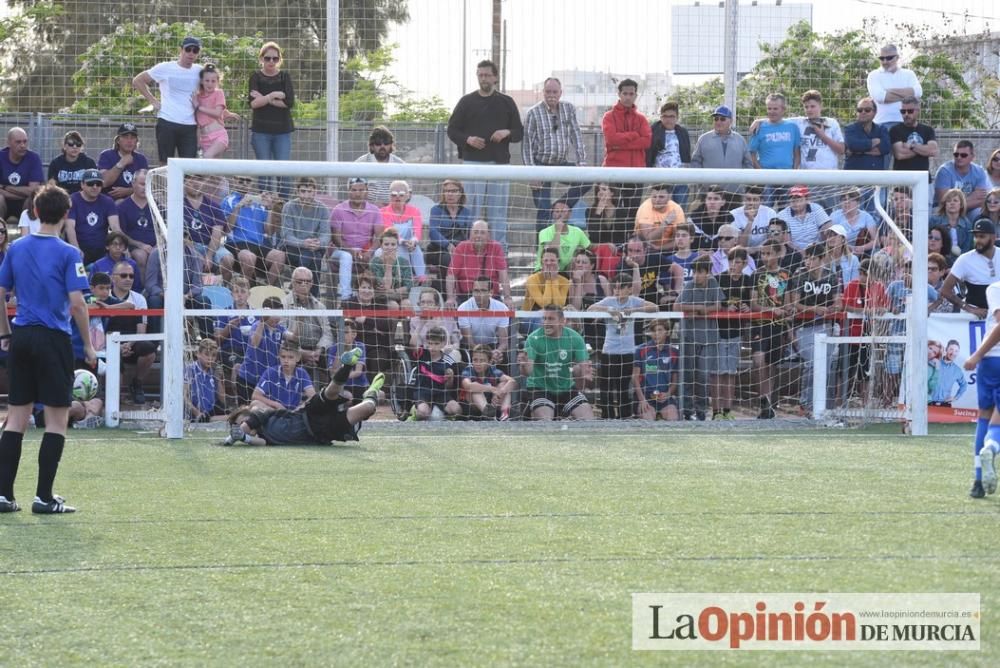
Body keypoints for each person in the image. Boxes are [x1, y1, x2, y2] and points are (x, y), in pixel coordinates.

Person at [0, 184, 96, 514]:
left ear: (36, 211)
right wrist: (87, 344)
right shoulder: (70, 254)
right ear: (66, 214)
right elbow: (78, 304)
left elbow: (0, 292)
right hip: (52, 339)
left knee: (16, 420)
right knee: (56, 422)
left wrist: (5, 332)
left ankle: (3, 495)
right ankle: (43, 497)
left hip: (22, 336)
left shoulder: (16, 247)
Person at [223, 350, 384, 446]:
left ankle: (347, 365)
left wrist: (232, 438)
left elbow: (257, 413)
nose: (241, 426)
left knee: (329, 393)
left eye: (240, 423)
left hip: (307, 415)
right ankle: (371, 393)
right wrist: (243, 438)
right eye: (238, 427)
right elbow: (261, 443)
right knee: (367, 408)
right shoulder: (263, 437)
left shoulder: (261, 415)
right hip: (319, 434)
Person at [447, 59, 523, 249]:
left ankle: (499, 252)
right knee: (471, 211)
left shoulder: (506, 102)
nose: (484, 78)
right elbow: (452, 130)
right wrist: (468, 139)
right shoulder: (466, 102)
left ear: (495, 77)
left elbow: (519, 132)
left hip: (500, 166)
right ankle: (469, 251)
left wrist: (506, 132)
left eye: (487, 75)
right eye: (480, 75)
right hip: (473, 164)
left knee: (498, 212)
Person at [588, 272, 657, 419]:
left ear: (629, 289)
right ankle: (608, 416)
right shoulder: (609, 301)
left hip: (627, 352)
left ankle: (624, 417)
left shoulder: (633, 301)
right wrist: (609, 310)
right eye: (615, 288)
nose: (616, 291)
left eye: (620, 288)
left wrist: (633, 311)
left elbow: (655, 307)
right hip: (609, 351)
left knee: (623, 387)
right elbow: (590, 309)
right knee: (606, 386)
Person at [522, 77, 589, 227]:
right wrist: (532, 172)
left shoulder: (568, 109)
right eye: (548, 91)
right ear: (543, 92)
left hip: (561, 164)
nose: (551, 94)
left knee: (588, 179)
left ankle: (558, 205)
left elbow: (576, 136)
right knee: (543, 212)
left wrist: (582, 161)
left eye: (554, 91)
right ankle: (542, 249)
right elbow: (527, 145)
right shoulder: (533, 113)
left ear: (560, 93)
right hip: (540, 166)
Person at [787, 242, 841, 415]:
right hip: (805, 327)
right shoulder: (800, 275)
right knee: (812, 364)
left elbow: (838, 300)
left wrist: (835, 307)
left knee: (825, 366)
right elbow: (795, 303)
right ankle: (805, 403)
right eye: (807, 258)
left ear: (821, 259)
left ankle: (822, 405)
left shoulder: (831, 276)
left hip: (825, 326)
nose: (808, 261)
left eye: (812, 258)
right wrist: (815, 309)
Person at [132, 36, 203, 164]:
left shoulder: (200, 71)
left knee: (189, 167)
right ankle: (165, 185)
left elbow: (212, 89)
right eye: (188, 49)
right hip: (167, 121)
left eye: (195, 50)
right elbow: (138, 80)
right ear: (180, 50)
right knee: (164, 165)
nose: (191, 53)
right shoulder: (165, 67)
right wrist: (153, 101)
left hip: (190, 125)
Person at [520, 304, 594, 421]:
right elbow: (527, 372)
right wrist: (524, 366)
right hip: (540, 389)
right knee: (546, 421)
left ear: (562, 321)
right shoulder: (533, 338)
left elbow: (584, 366)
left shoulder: (575, 337)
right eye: (544, 318)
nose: (546, 323)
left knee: (588, 420)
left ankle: (568, 419)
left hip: (566, 388)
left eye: (551, 319)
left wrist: (586, 374)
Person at [961, 279, 1000, 499]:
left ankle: (978, 482)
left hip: (990, 361)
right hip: (991, 357)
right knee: (997, 422)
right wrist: (977, 354)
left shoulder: (995, 288)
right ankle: (992, 448)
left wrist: (979, 354)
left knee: (985, 416)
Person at [674, 256, 724, 421]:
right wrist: (697, 307)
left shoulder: (713, 284)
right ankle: (687, 410)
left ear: (708, 273)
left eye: (700, 272)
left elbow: (719, 305)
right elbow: (677, 306)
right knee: (688, 375)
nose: (696, 275)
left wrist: (706, 310)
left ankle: (701, 410)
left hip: (709, 338)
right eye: (695, 272)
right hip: (689, 337)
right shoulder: (689, 286)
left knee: (703, 376)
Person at [750, 240, 793, 419]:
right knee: (759, 361)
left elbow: (789, 302)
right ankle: (763, 398)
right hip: (760, 325)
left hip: (779, 327)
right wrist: (771, 310)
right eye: (762, 254)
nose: (765, 257)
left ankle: (770, 403)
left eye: (768, 253)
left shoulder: (786, 275)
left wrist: (788, 311)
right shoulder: (757, 274)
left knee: (773, 365)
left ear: (777, 254)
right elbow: (753, 303)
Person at [248, 41, 295, 198]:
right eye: (267, 58)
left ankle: (282, 205)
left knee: (284, 171)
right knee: (264, 172)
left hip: (282, 131)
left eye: (275, 59)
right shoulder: (255, 77)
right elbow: (254, 104)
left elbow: (289, 103)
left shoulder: (284, 76)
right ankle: (265, 207)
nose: (271, 62)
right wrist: (273, 95)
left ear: (279, 60)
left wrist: (265, 99)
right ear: (261, 58)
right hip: (261, 132)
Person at [602, 78, 652, 222]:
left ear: (636, 95)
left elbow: (647, 141)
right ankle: (613, 243)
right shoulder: (609, 116)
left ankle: (630, 244)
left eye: (631, 94)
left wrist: (620, 143)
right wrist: (635, 135)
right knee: (612, 211)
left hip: (636, 172)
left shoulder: (641, 119)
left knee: (633, 212)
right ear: (619, 94)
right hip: (613, 171)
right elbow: (611, 139)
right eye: (625, 93)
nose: (628, 97)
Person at [220, 176, 286, 286]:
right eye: (241, 181)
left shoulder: (259, 203)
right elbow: (226, 229)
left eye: (248, 181)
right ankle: (242, 290)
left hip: (258, 245)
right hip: (236, 244)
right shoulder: (228, 200)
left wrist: (270, 208)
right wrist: (238, 207)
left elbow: (269, 231)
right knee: (249, 257)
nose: (245, 183)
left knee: (280, 256)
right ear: (234, 182)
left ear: (252, 183)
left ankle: (265, 290)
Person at [715, 246, 754, 419]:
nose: (733, 265)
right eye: (730, 261)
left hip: (736, 331)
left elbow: (752, 303)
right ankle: (716, 411)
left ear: (744, 264)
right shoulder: (718, 279)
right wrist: (724, 307)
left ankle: (727, 410)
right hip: (718, 332)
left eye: (737, 262)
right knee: (717, 373)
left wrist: (748, 307)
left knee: (730, 372)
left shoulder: (748, 280)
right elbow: (713, 302)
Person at [330, 177, 382, 303]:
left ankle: (379, 293)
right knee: (347, 257)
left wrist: (369, 252)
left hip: (365, 250)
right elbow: (336, 238)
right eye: (354, 190)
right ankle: (346, 297)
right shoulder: (338, 209)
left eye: (361, 190)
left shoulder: (374, 210)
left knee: (380, 253)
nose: (357, 193)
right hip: (341, 251)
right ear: (349, 191)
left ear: (367, 191)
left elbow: (380, 236)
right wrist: (352, 252)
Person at [280, 267, 334, 380]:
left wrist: (319, 350)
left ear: (312, 283)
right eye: (300, 281)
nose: (303, 284)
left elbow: (327, 333)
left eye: (307, 281)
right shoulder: (283, 304)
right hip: (292, 349)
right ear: (293, 282)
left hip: (318, 351)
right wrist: (301, 352)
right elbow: (281, 333)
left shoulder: (320, 306)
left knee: (334, 363)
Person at [280, 177, 330, 297]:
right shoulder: (289, 207)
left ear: (315, 192)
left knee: (312, 256)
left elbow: (326, 234)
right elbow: (287, 236)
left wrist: (319, 243)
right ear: (297, 192)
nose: (306, 195)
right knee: (312, 258)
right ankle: (312, 297)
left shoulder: (322, 209)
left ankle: (299, 292)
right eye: (303, 191)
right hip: (292, 248)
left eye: (309, 192)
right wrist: (303, 243)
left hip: (314, 247)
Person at [445, 220, 511, 308]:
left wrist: (507, 297)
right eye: (475, 232)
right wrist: (450, 298)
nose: (478, 236)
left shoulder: (496, 247)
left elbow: (503, 274)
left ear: (489, 235)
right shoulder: (461, 247)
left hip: (491, 297)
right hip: (466, 296)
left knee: (507, 312)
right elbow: (451, 275)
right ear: (470, 234)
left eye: (482, 233)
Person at [236, 296, 290, 404]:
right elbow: (255, 343)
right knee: (245, 414)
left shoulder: (280, 329)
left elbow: (294, 337)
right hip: (248, 379)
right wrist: (262, 321)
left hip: (266, 380)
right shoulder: (256, 326)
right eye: (273, 314)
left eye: (279, 314)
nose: (276, 318)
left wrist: (300, 320)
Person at [942, 219, 999, 317]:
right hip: (972, 318)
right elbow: (945, 290)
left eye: (982, 236)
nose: (977, 240)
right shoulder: (965, 259)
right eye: (976, 237)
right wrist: (969, 308)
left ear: (993, 238)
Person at [65, 169, 123, 265]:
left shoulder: (108, 201)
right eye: (90, 183)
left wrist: (122, 247)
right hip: (79, 246)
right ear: (82, 185)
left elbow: (115, 228)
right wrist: (76, 249)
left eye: (98, 184)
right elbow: (70, 227)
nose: (95, 187)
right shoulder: (72, 200)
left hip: (102, 250)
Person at [867, 44, 922, 144]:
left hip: (906, 123)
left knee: (904, 157)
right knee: (884, 158)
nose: (885, 61)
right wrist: (907, 94)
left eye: (889, 58)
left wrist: (889, 91)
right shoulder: (873, 75)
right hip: (882, 124)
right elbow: (880, 97)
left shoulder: (909, 74)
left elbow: (918, 93)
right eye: (882, 58)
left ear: (897, 58)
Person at [379, 180, 428, 283]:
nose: (397, 197)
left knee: (416, 249)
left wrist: (414, 241)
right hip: (392, 243)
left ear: (407, 195)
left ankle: (421, 277)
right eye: (393, 194)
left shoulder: (415, 211)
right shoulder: (383, 212)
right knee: (403, 250)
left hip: (410, 243)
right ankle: (407, 280)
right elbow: (389, 231)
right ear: (389, 196)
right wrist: (403, 242)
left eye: (401, 194)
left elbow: (417, 229)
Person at [646, 101, 692, 208]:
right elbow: (649, 154)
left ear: (677, 117)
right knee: (661, 210)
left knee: (680, 209)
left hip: (680, 178)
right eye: (665, 116)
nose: (668, 119)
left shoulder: (683, 132)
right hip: (660, 180)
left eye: (672, 116)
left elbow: (686, 155)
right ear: (661, 117)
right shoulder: (653, 131)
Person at [409, 326, 461, 421]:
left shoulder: (449, 362)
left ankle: (445, 420)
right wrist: (421, 324)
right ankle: (414, 411)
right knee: (423, 413)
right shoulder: (422, 354)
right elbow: (412, 344)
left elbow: (449, 387)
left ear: (444, 344)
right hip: (422, 391)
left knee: (456, 409)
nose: (432, 347)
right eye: (430, 343)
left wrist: (450, 378)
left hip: (440, 393)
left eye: (436, 344)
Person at [633, 319, 680, 421]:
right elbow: (635, 378)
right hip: (646, 396)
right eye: (654, 331)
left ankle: (661, 415)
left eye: (660, 330)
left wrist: (668, 394)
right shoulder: (641, 350)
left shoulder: (674, 352)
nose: (656, 334)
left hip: (664, 398)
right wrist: (642, 400)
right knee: (648, 420)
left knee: (673, 418)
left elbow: (675, 381)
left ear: (667, 332)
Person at [617, 235, 683, 308]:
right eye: (630, 250)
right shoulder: (622, 266)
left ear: (645, 250)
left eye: (638, 251)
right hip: (631, 303)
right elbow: (635, 294)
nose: (633, 255)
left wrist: (676, 293)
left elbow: (678, 269)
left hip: (652, 297)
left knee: (672, 302)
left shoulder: (653, 257)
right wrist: (635, 267)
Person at [457, 276, 510, 365]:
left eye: (483, 291)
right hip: (471, 347)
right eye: (476, 291)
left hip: (492, 346)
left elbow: (504, 342)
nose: (479, 294)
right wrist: (486, 355)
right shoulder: (463, 308)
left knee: (502, 358)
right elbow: (469, 342)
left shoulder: (502, 308)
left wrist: (497, 352)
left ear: (491, 292)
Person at [193, 62, 239, 159]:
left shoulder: (219, 93)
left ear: (218, 81)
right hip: (204, 138)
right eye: (207, 80)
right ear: (201, 81)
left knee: (207, 156)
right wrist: (198, 144)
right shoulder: (197, 97)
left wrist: (199, 107)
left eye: (213, 81)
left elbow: (218, 113)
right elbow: (197, 123)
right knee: (210, 171)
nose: (210, 84)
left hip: (219, 135)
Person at [934, 141, 990, 221]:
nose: (959, 157)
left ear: (972, 156)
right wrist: (970, 197)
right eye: (956, 154)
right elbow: (944, 202)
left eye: (963, 155)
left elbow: (981, 200)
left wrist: (957, 203)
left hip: (969, 210)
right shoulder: (944, 171)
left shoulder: (979, 171)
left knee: (980, 213)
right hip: (945, 211)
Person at [251, 341, 316, 411]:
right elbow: (255, 395)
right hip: (273, 410)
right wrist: (275, 404)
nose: (286, 361)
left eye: (290, 357)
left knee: (313, 407)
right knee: (255, 404)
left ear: (298, 358)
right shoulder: (271, 372)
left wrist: (301, 407)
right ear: (279, 357)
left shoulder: (302, 373)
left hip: (293, 413)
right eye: (283, 357)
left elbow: (313, 396)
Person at [690, 105, 753, 175]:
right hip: (709, 185)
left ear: (731, 121)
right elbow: (695, 162)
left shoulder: (740, 140)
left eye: (722, 119)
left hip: (735, 185)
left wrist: (744, 182)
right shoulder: (703, 139)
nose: (718, 122)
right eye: (716, 119)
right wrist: (700, 181)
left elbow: (748, 164)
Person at [427, 179, 473, 274]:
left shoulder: (466, 212)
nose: (450, 194)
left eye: (454, 191)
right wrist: (448, 245)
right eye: (447, 191)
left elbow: (469, 234)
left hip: (460, 249)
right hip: (438, 250)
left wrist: (462, 248)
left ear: (460, 193)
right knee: (450, 260)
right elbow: (433, 232)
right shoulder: (436, 210)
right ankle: (448, 288)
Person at [116, 168, 156, 276]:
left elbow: (163, 231)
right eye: (142, 184)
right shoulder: (123, 207)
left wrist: (157, 247)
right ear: (133, 184)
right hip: (134, 246)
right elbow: (121, 233)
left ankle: (158, 289)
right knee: (141, 256)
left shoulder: (157, 206)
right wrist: (140, 245)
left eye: (148, 184)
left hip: (156, 246)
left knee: (156, 255)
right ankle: (142, 290)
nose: (145, 187)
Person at [0, 127, 44, 224]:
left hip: (25, 202)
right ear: (8, 143)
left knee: (34, 200)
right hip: (4, 202)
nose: (23, 145)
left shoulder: (33, 158)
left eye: (25, 141)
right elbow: (28, 190)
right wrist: (22, 192)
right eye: (18, 142)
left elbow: (33, 190)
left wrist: (5, 187)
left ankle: (30, 236)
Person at [461, 344, 516, 420]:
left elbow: (512, 381)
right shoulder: (468, 370)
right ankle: (489, 416)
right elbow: (468, 386)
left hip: (491, 405)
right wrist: (491, 389)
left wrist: (500, 392)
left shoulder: (493, 371)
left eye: (482, 360)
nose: (478, 363)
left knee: (503, 384)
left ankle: (505, 414)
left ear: (490, 362)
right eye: (475, 360)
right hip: (471, 408)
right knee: (475, 389)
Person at [748, 93, 801, 172]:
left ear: (783, 109)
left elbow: (797, 153)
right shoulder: (759, 127)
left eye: (775, 109)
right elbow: (751, 154)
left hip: (788, 177)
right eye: (769, 108)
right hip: (766, 177)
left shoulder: (793, 127)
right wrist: (761, 174)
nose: (772, 111)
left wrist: (794, 172)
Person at [97, 123, 149, 201]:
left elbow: (146, 187)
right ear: (118, 140)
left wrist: (128, 191)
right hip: (109, 202)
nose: (129, 141)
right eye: (125, 137)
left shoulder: (141, 159)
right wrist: (121, 163)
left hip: (134, 202)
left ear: (136, 141)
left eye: (133, 138)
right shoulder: (106, 155)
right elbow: (103, 182)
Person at [355, 126, 404, 206]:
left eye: (386, 143)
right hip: (367, 210)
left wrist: (390, 207)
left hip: (393, 211)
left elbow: (408, 191)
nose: (382, 147)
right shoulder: (360, 163)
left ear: (391, 145)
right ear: (372, 146)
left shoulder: (400, 164)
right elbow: (352, 191)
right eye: (378, 143)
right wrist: (371, 205)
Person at [536, 199, 591, 271]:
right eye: (557, 211)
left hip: (567, 271)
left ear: (570, 214)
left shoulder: (577, 231)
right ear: (552, 214)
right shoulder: (544, 232)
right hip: (546, 270)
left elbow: (590, 247)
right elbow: (551, 253)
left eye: (564, 211)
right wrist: (558, 231)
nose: (560, 214)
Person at [890, 96, 938, 172]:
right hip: (901, 178)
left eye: (910, 111)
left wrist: (911, 146)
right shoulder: (895, 130)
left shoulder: (928, 130)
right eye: (903, 111)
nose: (906, 114)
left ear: (918, 110)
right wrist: (923, 150)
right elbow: (900, 154)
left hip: (922, 178)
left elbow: (933, 151)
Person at [633, 183, 686, 253]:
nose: (657, 200)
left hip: (668, 249)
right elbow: (648, 238)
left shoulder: (676, 209)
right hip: (644, 250)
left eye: (661, 197)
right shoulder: (645, 207)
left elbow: (679, 239)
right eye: (654, 197)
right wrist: (666, 222)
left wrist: (659, 248)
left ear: (669, 197)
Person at [409, 287, 461, 358]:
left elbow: (456, 343)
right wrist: (421, 324)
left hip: (448, 355)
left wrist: (450, 348)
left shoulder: (448, 319)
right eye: (423, 302)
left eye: (429, 302)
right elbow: (414, 346)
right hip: (427, 356)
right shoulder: (414, 321)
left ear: (437, 306)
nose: (425, 306)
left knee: (455, 354)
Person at [326, 319, 370, 400]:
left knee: (380, 396)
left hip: (360, 385)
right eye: (340, 332)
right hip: (341, 386)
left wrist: (341, 376)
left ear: (354, 334)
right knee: (347, 397)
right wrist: (340, 350)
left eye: (345, 332)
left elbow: (358, 372)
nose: (342, 335)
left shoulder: (360, 346)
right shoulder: (333, 348)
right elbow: (332, 374)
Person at [843, 97, 890, 172]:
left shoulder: (882, 129)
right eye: (859, 110)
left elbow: (886, 148)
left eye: (867, 110)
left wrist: (858, 151)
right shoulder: (849, 129)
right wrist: (875, 141)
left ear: (875, 112)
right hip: (853, 179)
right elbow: (853, 145)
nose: (863, 112)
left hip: (875, 178)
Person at [369, 228, 413, 307]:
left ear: (397, 246)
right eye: (386, 244)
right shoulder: (375, 262)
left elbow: (408, 286)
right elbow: (384, 287)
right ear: (381, 246)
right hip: (381, 298)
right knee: (393, 305)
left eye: (393, 244)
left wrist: (393, 291)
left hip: (400, 296)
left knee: (406, 304)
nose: (390, 247)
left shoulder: (404, 262)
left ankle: (405, 320)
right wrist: (389, 266)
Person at [185, 338, 226, 422]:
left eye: (213, 355)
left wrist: (218, 379)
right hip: (192, 414)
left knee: (232, 416)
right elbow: (184, 396)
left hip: (210, 412)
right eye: (207, 354)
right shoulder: (190, 370)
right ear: (198, 354)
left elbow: (223, 400)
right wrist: (197, 414)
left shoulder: (213, 372)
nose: (210, 358)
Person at [777, 185, 829, 251]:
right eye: (792, 198)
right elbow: (788, 242)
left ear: (807, 199)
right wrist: (803, 254)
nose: (794, 201)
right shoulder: (782, 215)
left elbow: (828, 227)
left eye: (798, 198)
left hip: (817, 250)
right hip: (794, 253)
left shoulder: (816, 208)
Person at [828, 187, 878, 256]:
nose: (846, 203)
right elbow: (829, 239)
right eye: (844, 200)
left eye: (851, 200)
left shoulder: (866, 217)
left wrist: (860, 248)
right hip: (840, 252)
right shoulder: (834, 216)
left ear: (858, 203)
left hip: (862, 253)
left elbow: (875, 241)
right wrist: (847, 248)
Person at [731, 185, 777, 253]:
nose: (751, 203)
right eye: (748, 199)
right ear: (744, 200)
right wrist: (750, 221)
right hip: (741, 253)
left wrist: (756, 249)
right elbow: (741, 245)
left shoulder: (770, 213)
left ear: (761, 201)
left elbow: (773, 240)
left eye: (755, 200)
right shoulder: (734, 215)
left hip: (764, 251)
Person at [523, 248, 570, 312]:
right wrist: (548, 280)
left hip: (555, 316)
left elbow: (559, 305)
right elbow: (545, 305)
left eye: (552, 260)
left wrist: (554, 280)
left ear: (558, 262)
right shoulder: (532, 279)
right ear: (541, 263)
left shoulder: (564, 281)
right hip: (531, 317)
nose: (549, 263)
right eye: (546, 260)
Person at [687, 186, 735, 250]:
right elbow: (691, 245)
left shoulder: (729, 219)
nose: (712, 202)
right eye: (709, 198)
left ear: (723, 202)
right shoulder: (694, 218)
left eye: (716, 199)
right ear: (705, 201)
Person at [929, 188, 973, 257]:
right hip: (938, 258)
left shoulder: (967, 224)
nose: (952, 203)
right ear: (945, 204)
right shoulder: (934, 221)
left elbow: (967, 249)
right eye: (948, 201)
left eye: (955, 201)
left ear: (961, 204)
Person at [585, 183, 624, 247]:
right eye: (598, 190)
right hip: (598, 249)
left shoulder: (622, 211)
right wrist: (598, 212)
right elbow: (593, 236)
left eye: (604, 189)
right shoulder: (589, 211)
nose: (600, 192)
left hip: (617, 249)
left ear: (612, 193)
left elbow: (622, 236)